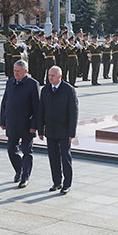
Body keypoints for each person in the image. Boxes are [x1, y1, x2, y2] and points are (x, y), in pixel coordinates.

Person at [37, 66, 78, 195]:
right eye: (49, 75)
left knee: (65, 157)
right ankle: (57, 182)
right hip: (50, 130)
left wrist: (72, 131)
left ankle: (67, 184)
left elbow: (73, 112)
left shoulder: (68, 90)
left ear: (59, 76)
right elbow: (41, 110)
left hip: (64, 130)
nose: (50, 78)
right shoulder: (45, 90)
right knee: (53, 157)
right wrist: (41, 130)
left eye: (53, 76)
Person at [0, 59, 39, 188]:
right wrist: (3, 121)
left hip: (27, 125)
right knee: (11, 150)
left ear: (25, 71)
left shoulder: (33, 84)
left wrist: (34, 125)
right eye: (14, 71)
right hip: (12, 123)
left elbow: (37, 108)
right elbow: (4, 103)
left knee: (27, 151)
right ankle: (19, 171)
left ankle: (25, 177)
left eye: (18, 71)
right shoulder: (10, 83)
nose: (15, 74)